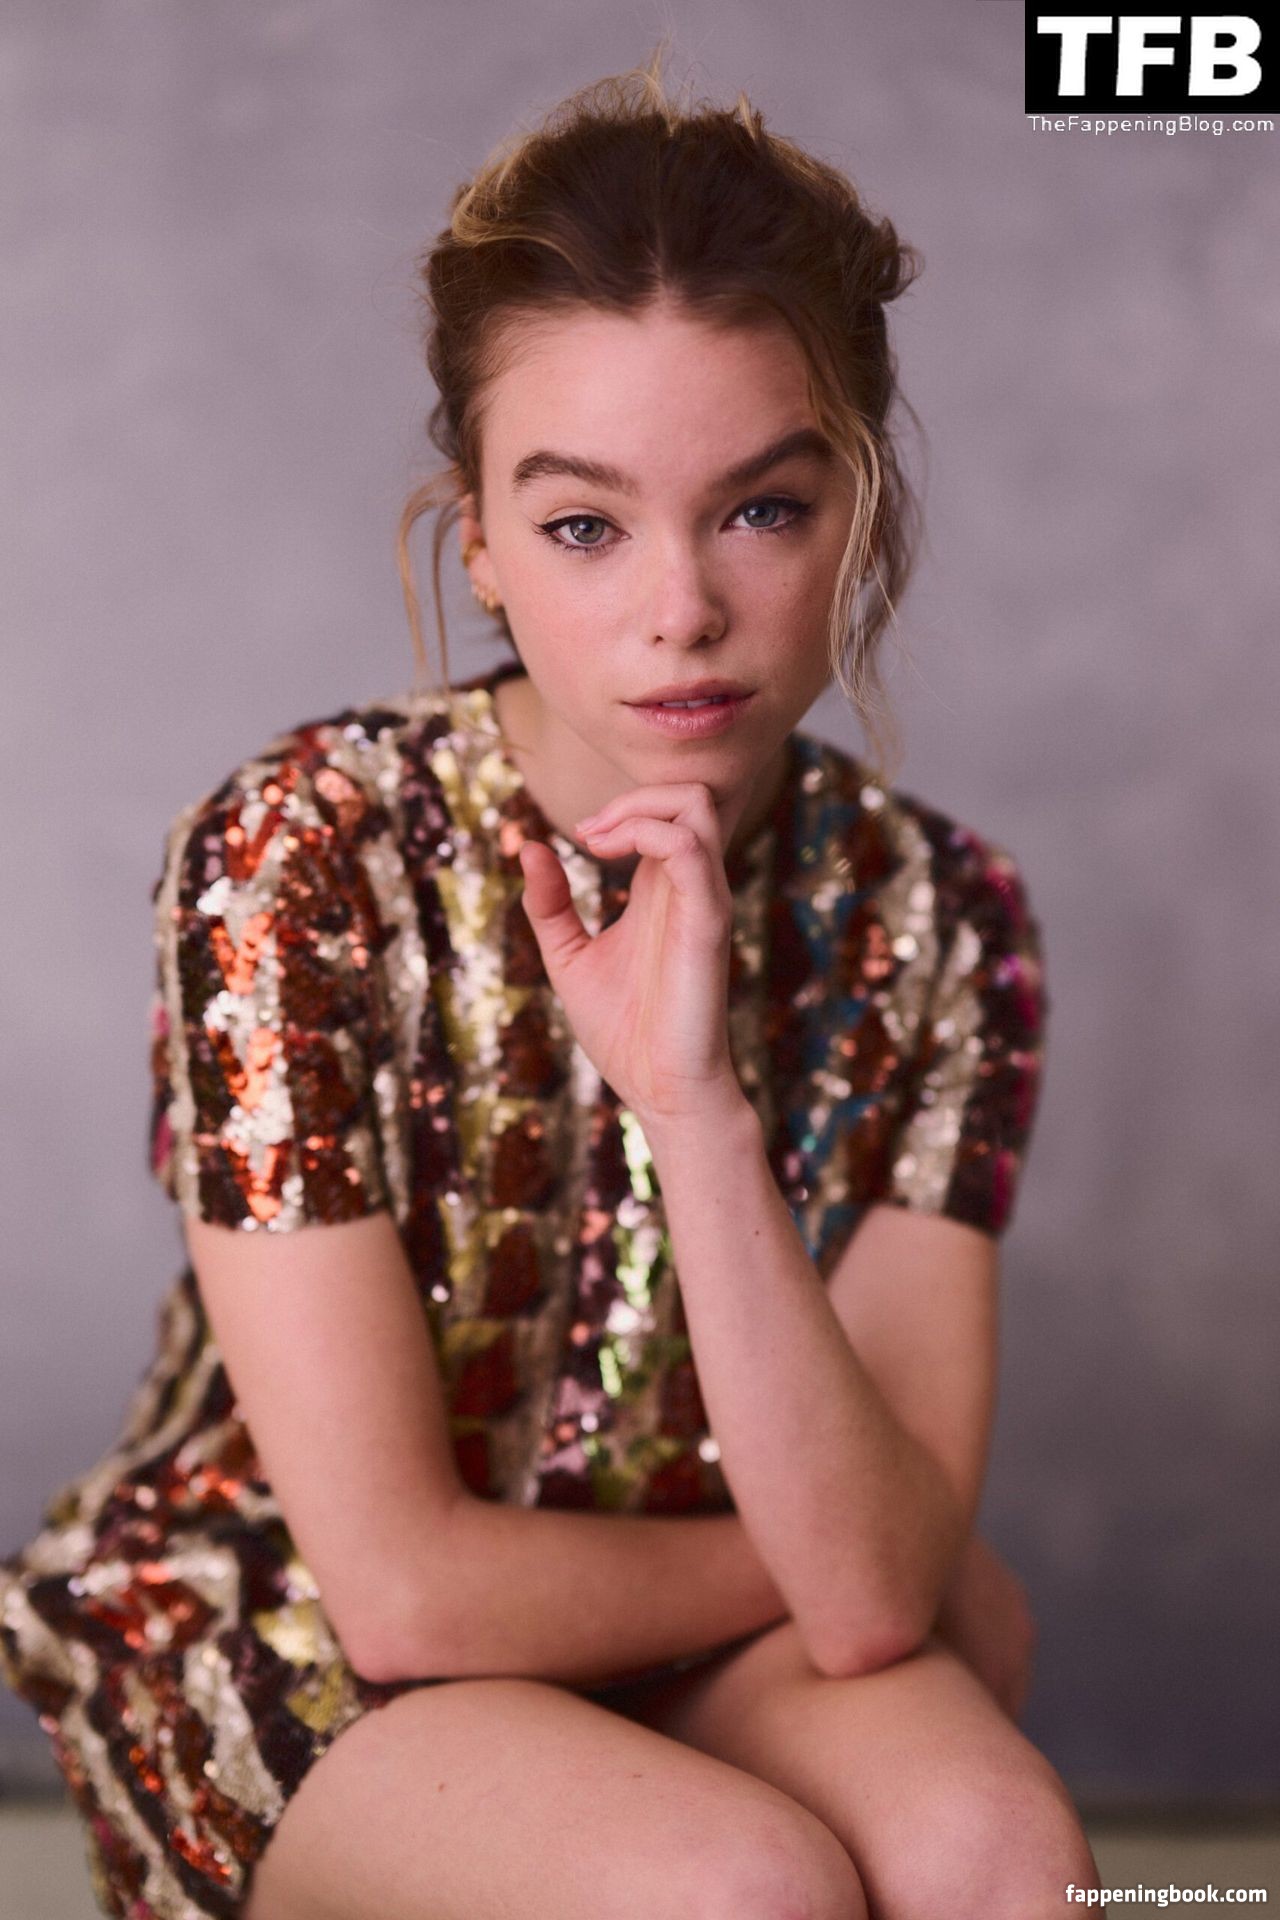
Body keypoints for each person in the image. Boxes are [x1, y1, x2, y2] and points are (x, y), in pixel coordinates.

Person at [0, 45, 1104, 1920]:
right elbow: (406, 1588)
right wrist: (879, 1553)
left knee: (1005, 1857)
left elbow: (866, 1601)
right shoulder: (302, 855)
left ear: (860, 508)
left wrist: (697, 1109)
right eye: (586, 525)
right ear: (487, 551)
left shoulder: (941, 914)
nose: (680, 609)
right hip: (310, 1623)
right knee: (733, 1886)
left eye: (762, 508)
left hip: (710, 1601)